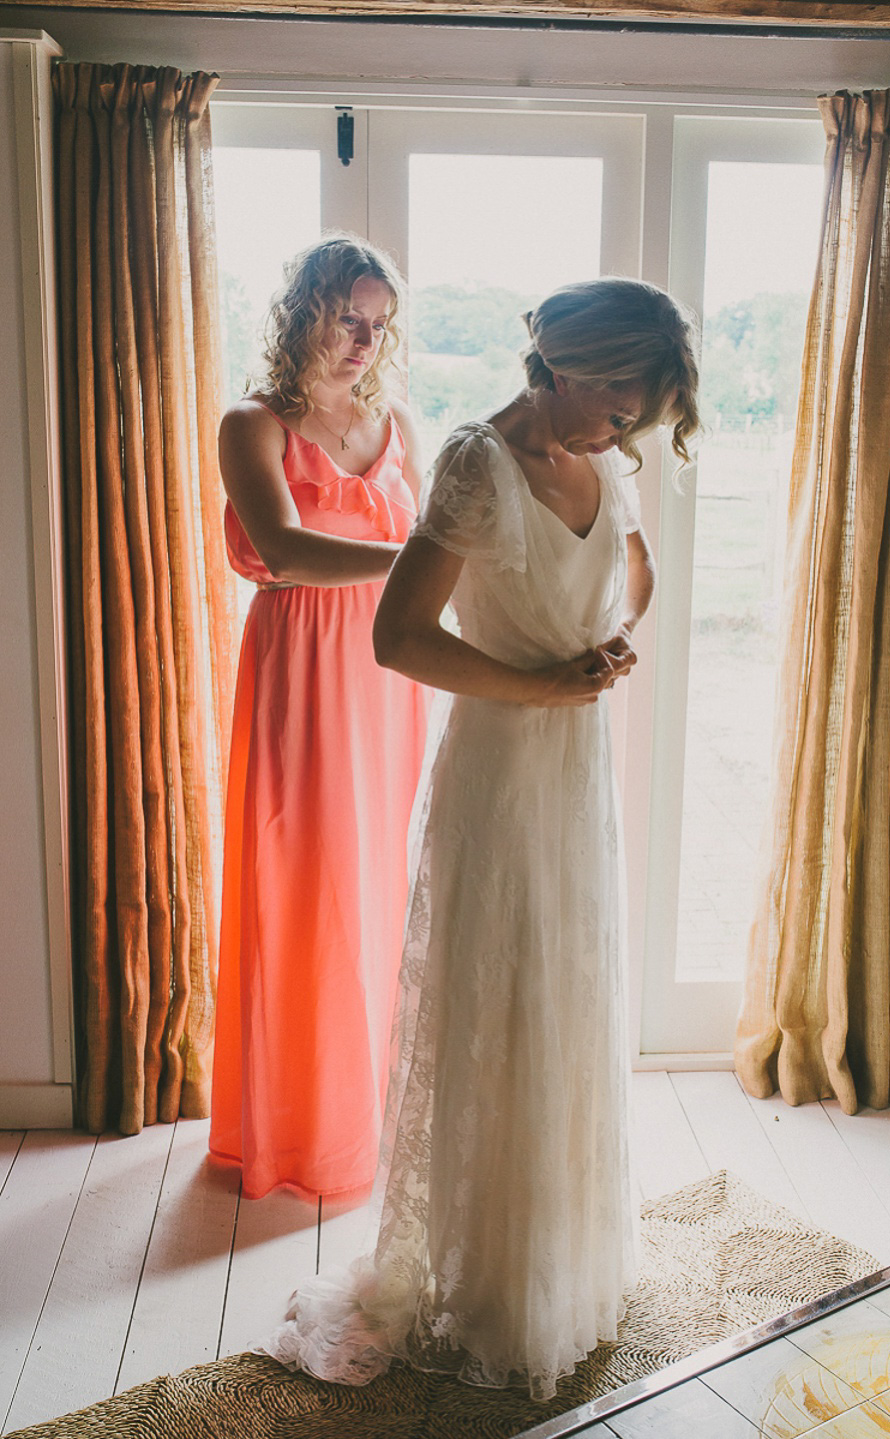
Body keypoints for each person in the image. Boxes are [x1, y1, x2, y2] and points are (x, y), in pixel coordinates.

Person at [264, 277, 700, 1396]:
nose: (623, 429)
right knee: (499, 1003)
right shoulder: (475, 462)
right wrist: (539, 686)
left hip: (573, 769)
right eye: (616, 403)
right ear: (560, 364)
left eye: (637, 414)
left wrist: (603, 649)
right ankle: (486, 1271)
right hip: (502, 773)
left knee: (565, 996)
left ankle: (553, 1252)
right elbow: (398, 635)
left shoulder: (605, 462)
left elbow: (634, 575)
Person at [209, 234, 430, 1201]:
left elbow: (434, 532)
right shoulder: (252, 424)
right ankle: (297, 1126)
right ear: (305, 311)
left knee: (380, 881)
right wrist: (416, 568)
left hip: (389, 672)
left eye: (378, 325)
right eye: (348, 317)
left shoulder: (400, 428)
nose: (364, 342)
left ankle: (367, 1115)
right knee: (306, 884)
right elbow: (287, 552)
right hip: (300, 664)